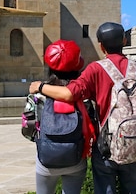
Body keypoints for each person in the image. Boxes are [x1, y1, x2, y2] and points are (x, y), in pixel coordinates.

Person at [30, 22, 136, 194]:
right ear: (125, 41)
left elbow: (69, 94)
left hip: (106, 147)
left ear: (101, 45)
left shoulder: (95, 69)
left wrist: (40, 87)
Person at [33, 39, 92, 194]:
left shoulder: (38, 96)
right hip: (75, 158)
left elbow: (28, 128)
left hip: (46, 159)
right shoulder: (82, 95)